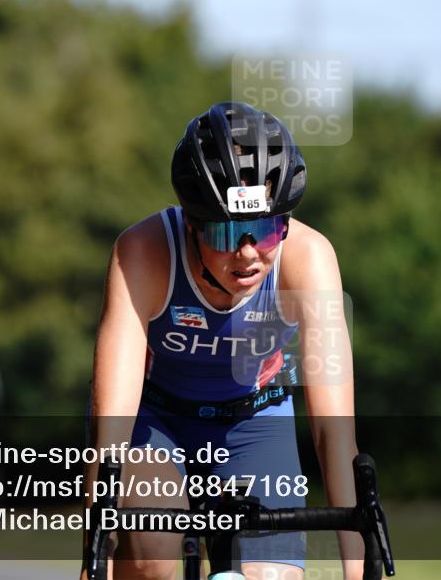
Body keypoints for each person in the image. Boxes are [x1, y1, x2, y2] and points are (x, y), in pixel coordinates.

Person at [81, 102, 362, 580]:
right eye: (226, 232)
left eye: (266, 229)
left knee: (271, 576)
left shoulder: (309, 259)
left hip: (255, 422)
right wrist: (95, 557)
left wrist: (358, 569)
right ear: (192, 223)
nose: (248, 252)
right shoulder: (144, 253)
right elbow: (111, 428)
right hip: (158, 422)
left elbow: (333, 433)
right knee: (151, 551)